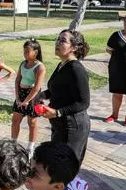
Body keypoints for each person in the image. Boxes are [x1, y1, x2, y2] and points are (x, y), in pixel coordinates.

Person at [38, 30, 91, 164]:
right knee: (57, 165)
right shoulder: (62, 65)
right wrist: (41, 95)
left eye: (63, 41)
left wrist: (57, 112)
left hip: (73, 126)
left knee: (65, 167)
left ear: (74, 47)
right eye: (58, 39)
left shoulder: (76, 69)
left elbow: (83, 102)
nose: (57, 42)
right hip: (60, 124)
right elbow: (56, 89)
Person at [12, 39, 46, 158]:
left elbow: (37, 87)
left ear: (35, 52)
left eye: (28, 51)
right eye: (24, 51)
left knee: (32, 122)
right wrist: (17, 97)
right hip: (21, 94)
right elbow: (17, 80)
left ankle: (30, 147)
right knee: (15, 120)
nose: (25, 53)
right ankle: (13, 144)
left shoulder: (40, 67)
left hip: (33, 96)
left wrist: (27, 101)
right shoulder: (23, 63)